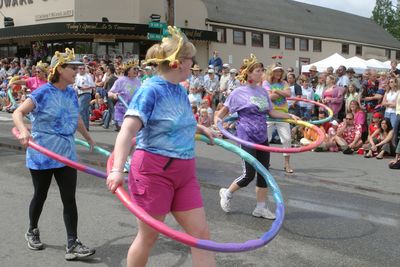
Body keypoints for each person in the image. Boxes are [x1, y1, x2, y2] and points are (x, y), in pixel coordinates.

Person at [106, 26, 216, 267]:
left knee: (201, 236)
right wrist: (116, 169)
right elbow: (127, 131)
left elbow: (175, 120)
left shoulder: (178, 90)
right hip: (154, 172)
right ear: (177, 63)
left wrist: (199, 128)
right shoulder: (150, 90)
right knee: (149, 236)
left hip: (185, 173)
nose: (193, 65)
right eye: (190, 60)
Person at [12, 48, 96, 260]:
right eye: (72, 68)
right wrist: (23, 131)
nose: (77, 71)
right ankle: (32, 230)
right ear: (59, 69)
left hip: (66, 153)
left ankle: (72, 243)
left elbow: (75, 118)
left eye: (78, 67)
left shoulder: (71, 92)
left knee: (69, 198)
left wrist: (87, 137)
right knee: (40, 195)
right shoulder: (42, 92)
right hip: (42, 153)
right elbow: (18, 112)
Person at [216, 54, 299, 219]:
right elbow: (223, 112)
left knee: (264, 173)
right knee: (249, 174)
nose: (261, 73)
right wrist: (217, 123)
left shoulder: (262, 92)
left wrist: (289, 116)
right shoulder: (238, 93)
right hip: (246, 136)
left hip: (262, 137)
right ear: (248, 74)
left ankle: (260, 207)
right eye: (257, 71)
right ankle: (227, 192)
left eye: (262, 70)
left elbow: (271, 112)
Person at [264, 63, 295, 173]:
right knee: (265, 139)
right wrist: (282, 93)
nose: (278, 73)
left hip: (283, 114)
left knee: (286, 139)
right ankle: (265, 162)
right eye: (276, 71)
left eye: (280, 71)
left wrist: (276, 91)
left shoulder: (284, 82)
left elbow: (289, 94)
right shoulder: (266, 83)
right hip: (269, 113)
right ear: (272, 72)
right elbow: (269, 97)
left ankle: (287, 164)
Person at [108, 60, 141, 131]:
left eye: (137, 69)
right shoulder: (120, 81)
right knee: (124, 131)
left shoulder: (138, 81)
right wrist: (114, 95)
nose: (136, 70)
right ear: (128, 71)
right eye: (134, 69)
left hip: (133, 110)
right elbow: (110, 93)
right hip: (122, 109)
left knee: (132, 132)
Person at [74, 64, 95, 131]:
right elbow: (75, 85)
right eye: (80, 69)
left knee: (81, 110)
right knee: (85, 111)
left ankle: (83, 127)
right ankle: (86, 126)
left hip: (86, 94)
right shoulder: (77, 76)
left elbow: (92, 85)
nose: (82, 70)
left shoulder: (88, 76)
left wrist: (84, 88)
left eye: (83, 68)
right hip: (78, 94)